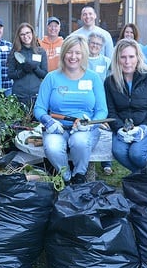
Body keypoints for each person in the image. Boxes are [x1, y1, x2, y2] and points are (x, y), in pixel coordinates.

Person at [34, 35, 108, 186]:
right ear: (63, 54)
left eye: (78, 53)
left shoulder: (93, 78)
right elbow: (39, 108)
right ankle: (67, 176)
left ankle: (79, 174)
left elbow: (102, 111)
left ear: (84, 55)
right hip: (57, 128)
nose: (73, 56)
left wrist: (90, 124)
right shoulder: (51, 78)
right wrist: (48, 121)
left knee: (79, 141)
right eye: (69, 52)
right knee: (52, 147)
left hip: (84, 129)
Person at [104, 38, 147, 174]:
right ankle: (143, 177)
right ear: (117, 59)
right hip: (124, 129)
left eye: (131, 56)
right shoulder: (110, 82)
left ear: (138, 57)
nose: (127, 61)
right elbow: (110, 111)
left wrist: (144, 129)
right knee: (119, 151)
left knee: (136, 153)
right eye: (123, 57)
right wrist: (119, 128)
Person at [87, 32, 114, 175]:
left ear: (102, 46)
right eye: (93, 43)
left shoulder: (106, 61)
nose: (95, 46)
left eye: (98, 44)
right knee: (89, 129)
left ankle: (106, 163)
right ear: (88, 43)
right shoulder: (82, 60)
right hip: (85, 100)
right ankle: (88, 162)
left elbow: (111, 81)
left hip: (101, 99)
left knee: (105, 130)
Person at [7, 22, 48, 109]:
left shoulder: (40, 51)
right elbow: (10, 74)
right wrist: (23, 71)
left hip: (36, 95)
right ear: (19, 37)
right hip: (19, 95)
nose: (25, 36)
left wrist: (35, 68)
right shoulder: (15, 52)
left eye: (27, 33)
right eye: (22, 34)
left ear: (32, 33)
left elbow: (44, 74)